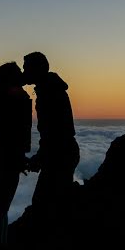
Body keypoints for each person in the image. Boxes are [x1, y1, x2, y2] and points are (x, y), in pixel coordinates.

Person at [23, 51, 80, 210]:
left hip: (60, 155)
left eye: (26, 69)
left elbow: (54, 134)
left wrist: (40, 158)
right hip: (64, 152)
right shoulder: (49, 88)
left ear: (36, 70)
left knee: (43, 206)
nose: (23, 72)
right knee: (57, 203)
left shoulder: (49, 93)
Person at [0, 61, 32, 248]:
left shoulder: (3, 98)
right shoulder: (16, 97)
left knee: (0, 208)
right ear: (11, 77)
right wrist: (19, 158)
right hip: (4, 158)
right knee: (0, 208)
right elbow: (16, 134)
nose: (22, 74)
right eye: (18, 71)